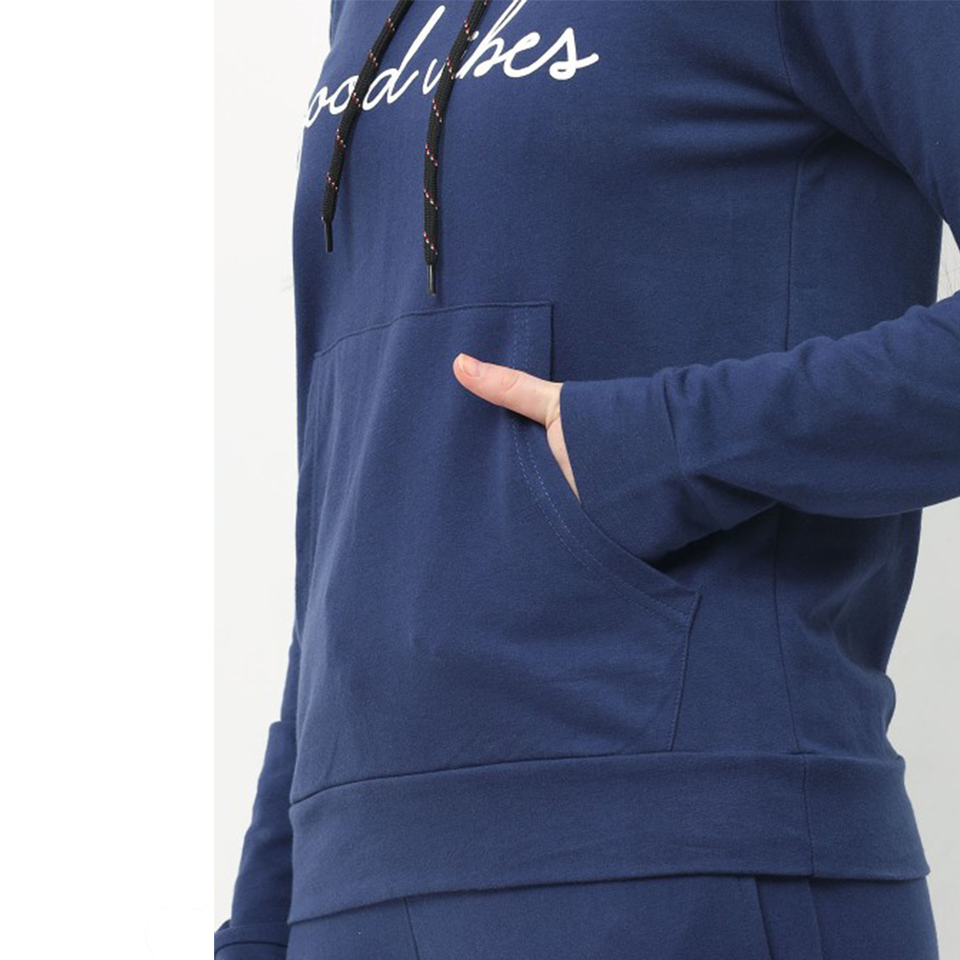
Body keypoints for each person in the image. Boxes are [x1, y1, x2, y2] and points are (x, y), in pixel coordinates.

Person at [215, 1, 959, 957]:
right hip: (352, 881)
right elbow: (354, 482)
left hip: (683, 851)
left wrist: (658, 445)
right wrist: (267, 907)